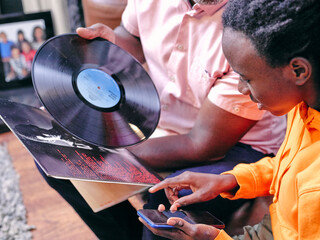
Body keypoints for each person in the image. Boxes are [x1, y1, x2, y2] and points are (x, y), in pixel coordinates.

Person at [35, 0, 286, 239]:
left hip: (238, 148)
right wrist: (108, 44)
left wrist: (102, 150)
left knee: (168, 205)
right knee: (58, 162)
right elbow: (132, 36)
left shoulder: (249, 26)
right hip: (159, 125)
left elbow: (202, 146)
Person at [144, 0, 320, 239]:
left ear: (298, 71)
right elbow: (287, 167)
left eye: (246, 79)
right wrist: (229, 180)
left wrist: (211, 238)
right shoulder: (303, 107)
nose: (240, 89)